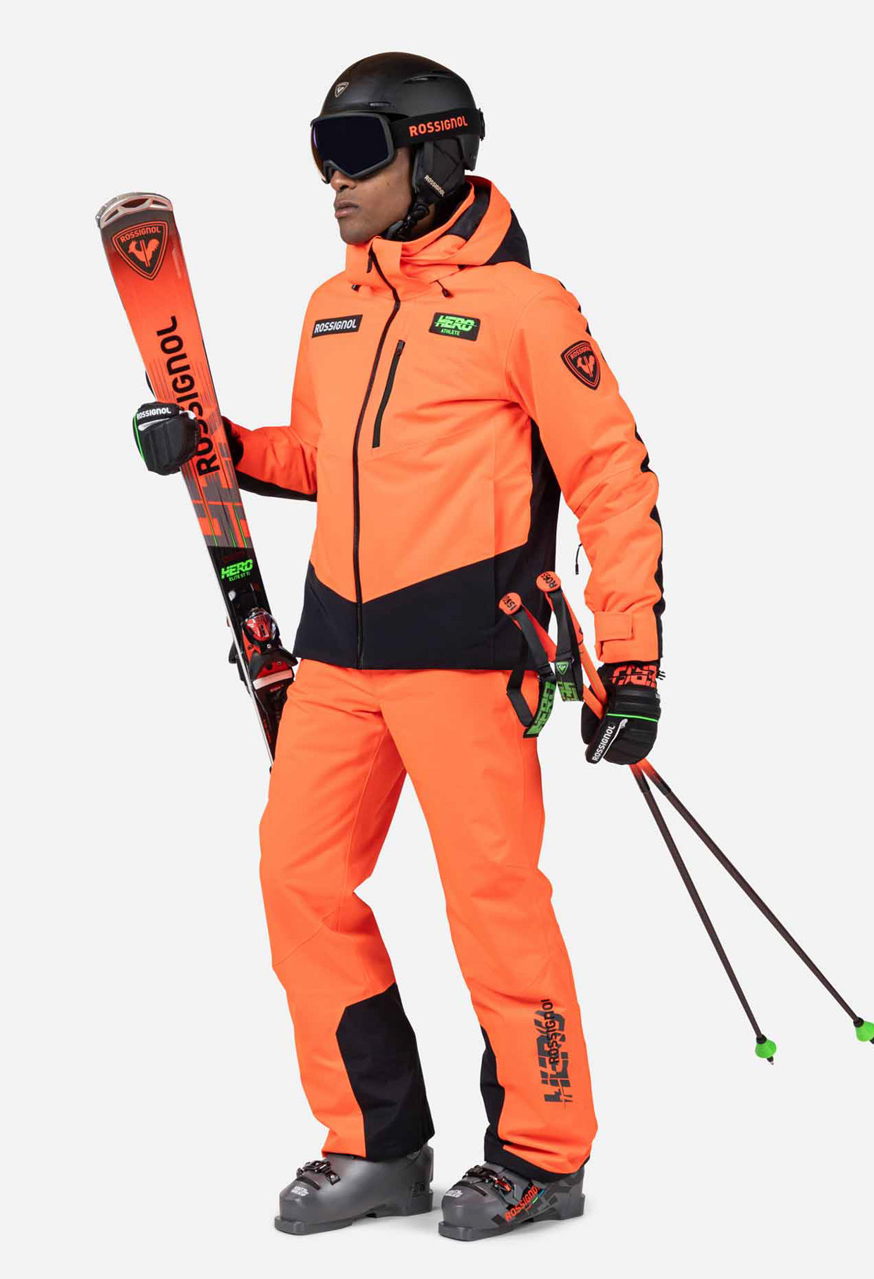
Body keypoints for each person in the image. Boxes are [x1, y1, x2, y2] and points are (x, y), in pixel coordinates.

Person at [133, 50, 664, 1242]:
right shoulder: (333, 305)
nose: (333, 178)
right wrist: (219, 446)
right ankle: (375, 1142)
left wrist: (629, 659)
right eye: (320, 151)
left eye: (357, 150)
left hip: (469, 658)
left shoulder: (526, 308)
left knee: (491, 901)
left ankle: (541, 1152)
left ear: (435, 154)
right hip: (335, 658)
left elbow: (612, 477)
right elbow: (322, 461)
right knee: (298, 880)